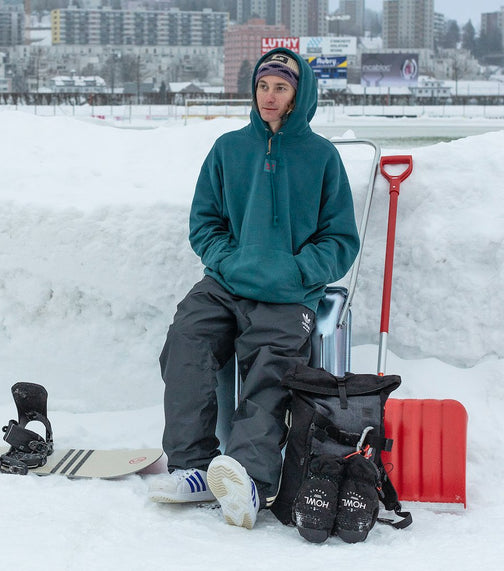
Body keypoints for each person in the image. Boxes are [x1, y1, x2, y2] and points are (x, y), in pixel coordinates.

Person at [147, 48, 360, 529]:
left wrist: (298, 272)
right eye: (263, 86)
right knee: (186, 340)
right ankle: (193, 468)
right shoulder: (228, 149)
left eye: (280, 88)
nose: (269, 96)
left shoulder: (322, 157)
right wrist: (227, 260)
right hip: (225, 284)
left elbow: (341, 240)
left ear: (298, 94)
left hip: (289, 293)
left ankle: (248, 480)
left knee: (272, 368)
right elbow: (205, 224)